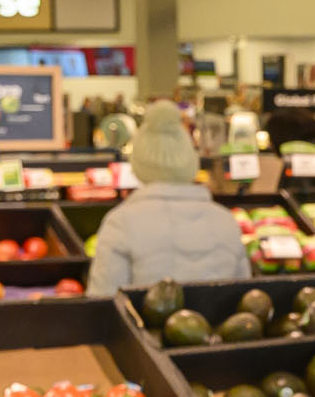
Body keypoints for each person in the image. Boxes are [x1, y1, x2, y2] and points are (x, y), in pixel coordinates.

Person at [85, 102, 249, 289]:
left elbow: (104, 299)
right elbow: (243, 295)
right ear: (190, 161)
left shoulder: (120, 223)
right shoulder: (226, 221)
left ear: (137, 163)